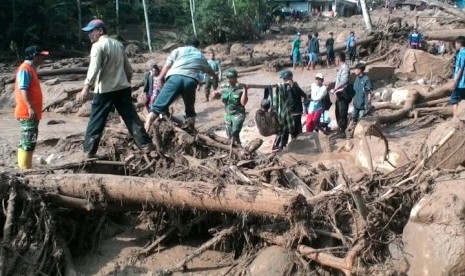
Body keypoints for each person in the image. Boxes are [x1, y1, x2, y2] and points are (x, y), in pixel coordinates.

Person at [79, 19, 154, 158]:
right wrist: (126, 83)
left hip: (105, 89)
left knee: (96, 120)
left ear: (100, 31)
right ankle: (146, 144)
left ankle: (89, 151)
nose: (90, 35)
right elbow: (129, 69)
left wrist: (86, 87)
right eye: (88, 32)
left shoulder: (97, 46)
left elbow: (94, 67)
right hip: (122, 88)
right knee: (131, 117)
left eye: (91, 31)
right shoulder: (118, 44)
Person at [145, 38, 218, 131]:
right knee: (190, 108)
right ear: (197, 46)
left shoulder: (178, 50)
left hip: (174, 78)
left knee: (158, 106)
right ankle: (191, 128)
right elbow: (209, 70)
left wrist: (160, 78)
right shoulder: (200, 55)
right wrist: (215, 77)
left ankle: (148, 122)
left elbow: (167, 65)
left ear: (186, 44)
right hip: (190, 81)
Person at [14, 45, 49, 169]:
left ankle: (24, 166)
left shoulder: (30, 68)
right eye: (41, 56)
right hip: (27, 112)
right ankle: (24, 168)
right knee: (28, 140)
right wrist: (30, 107)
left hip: (30, 112)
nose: (43, 58)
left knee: (29, 139)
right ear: (34, 56)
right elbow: (23, 89)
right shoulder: (25, 69)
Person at [272, 70, 306, 150]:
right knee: (285, 130)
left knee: (296, 131)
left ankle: (297, 146)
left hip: (296, 112)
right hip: (287, 113)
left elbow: (303, 95)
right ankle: (283, 146)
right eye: (283, 79)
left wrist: (293, 87)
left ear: (290, 78)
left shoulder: (295, 86)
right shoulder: (284, 87)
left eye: (285, 79)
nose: (284, 80)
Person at [212, 69, 248, 145]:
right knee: (229, 135)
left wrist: (245, 89)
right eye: (228, 77)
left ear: (235, 78)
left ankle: (236, 148)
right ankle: (238, 147)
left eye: (231, 77)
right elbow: (214, 97)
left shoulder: (240, 89)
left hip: (238, 115)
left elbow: (243, 103)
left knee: (234, 133)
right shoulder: (225, 88)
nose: (229, 79)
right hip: (228, 114)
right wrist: (215, 94)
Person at [330, 52, 351, 138]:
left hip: (343, 93)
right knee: (338, 111)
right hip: (339, 93)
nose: (335, 61)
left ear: (338, 59)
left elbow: (343, 81)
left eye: (335, 59)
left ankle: (342, 130)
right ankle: (340, 129)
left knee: (342, 112)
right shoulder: (341, 68)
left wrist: (335, 89)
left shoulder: (345, 68)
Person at [450, 36, 465, 117]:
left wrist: (455, 83)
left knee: (454, 100)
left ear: (459, 43)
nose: (455, 45)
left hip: (461, 83)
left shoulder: (461, 53)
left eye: (456, 43)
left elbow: (460, 69)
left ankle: (455, 119)